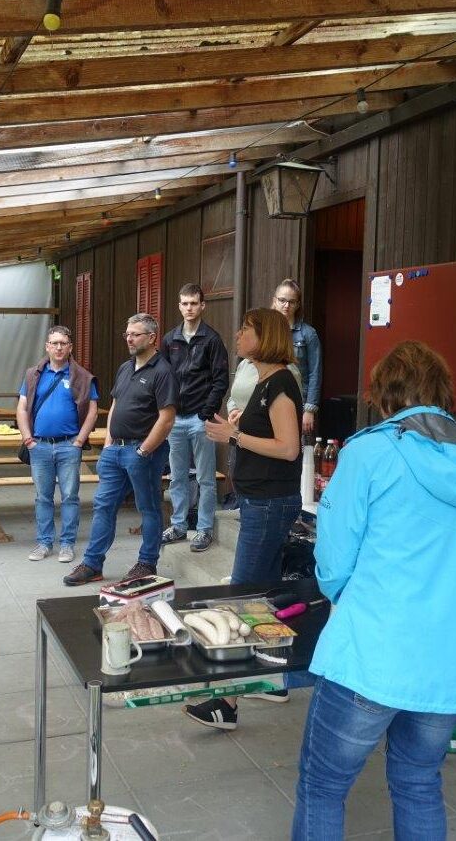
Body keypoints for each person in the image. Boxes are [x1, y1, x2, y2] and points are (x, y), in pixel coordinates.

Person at [291, 341, 456, 840]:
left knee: (323, 785)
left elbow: (334, 563)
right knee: (419, 783)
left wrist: (353, 598)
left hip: (375, 649)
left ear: (384, 395)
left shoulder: (368, 451)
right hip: (451, 653)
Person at [183, 307, 303, 730]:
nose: (237, 334)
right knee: (261, 598)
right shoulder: (265, 382)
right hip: (261, 501)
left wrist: (234, 434)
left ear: (265, 336)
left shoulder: (281, 383)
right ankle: (272, 680)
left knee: (240, 597)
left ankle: (226, 703)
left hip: (270, 503)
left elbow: (288, 447)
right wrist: (236, 426)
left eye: (246, 329)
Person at [63, 313, 176, 586]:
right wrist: (108, 443)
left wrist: (144, 451)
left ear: (151, 337)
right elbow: (115, 405)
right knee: (103, 505)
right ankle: (92, 564)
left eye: (135, 334)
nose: (129, 338)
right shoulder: (126, 368)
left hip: (143, 451)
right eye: (127, 334)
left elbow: (167, 418)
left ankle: (147, 563)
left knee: (148, 507)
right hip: (115, 450)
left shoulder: (163, 371)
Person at [17, 325, 98, 564]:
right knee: (43, 497)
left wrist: (80, 440)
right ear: (47, 346)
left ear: (70, 347)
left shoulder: (82, 376)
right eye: (54, 343)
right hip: (39, 446)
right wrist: (27, 438)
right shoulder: (33, 374)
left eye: (63, 343)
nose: (59, 347)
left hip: (68, 446)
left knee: (70, 496)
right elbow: (22, 408)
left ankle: (67, 544)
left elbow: (92, 411)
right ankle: (44, 543)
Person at [160, 284, 229, 553]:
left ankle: (204, 529)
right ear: (179, 306)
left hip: (201, 419)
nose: (189, 308)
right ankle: (178, 525)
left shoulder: (212, 340)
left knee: (206, 478)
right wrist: (168, 409)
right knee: (177, 476)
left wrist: (206, 412)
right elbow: (163, 378)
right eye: (185, 303)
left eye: (193, 303)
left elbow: (220, 381)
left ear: (202, 306)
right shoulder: (170, 339)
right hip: (176, 419)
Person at [272, 279, 322, 438]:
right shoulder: (266, 332)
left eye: (291, 302)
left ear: (298, 305)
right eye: (282, 300)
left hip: (299, 401)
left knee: (297, 447)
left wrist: (309, 409)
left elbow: (315, 373)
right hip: (269, 399)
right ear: (275, 301)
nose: (286, 305)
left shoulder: (308, 334)